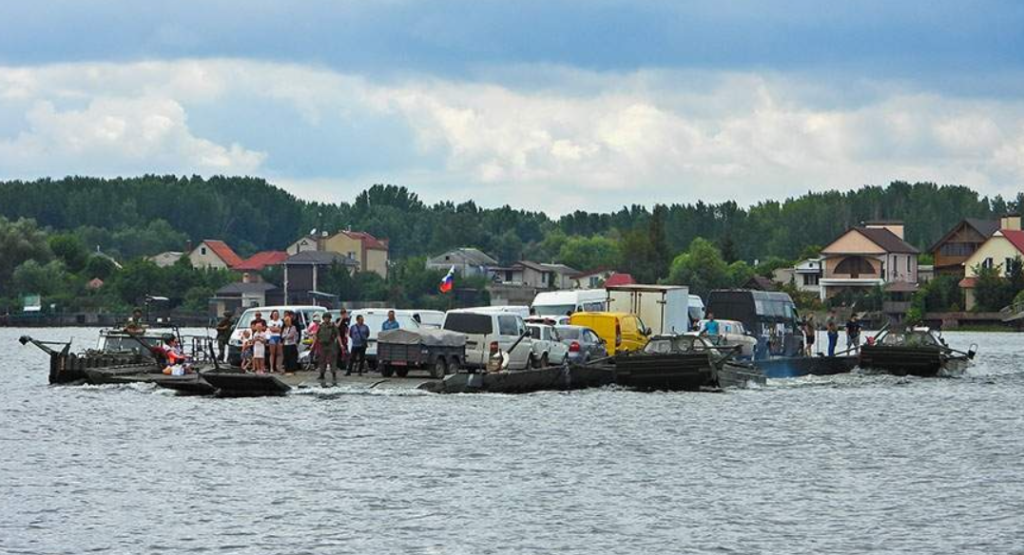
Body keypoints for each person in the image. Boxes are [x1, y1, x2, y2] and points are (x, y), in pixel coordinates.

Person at [316, 312, 340, 381]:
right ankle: (322, 374)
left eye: (327, 318)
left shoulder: (333, 326)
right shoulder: (321, 326)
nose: (326, 319)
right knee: (322, 360)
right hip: (322, 345)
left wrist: (341, 344)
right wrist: (313, 345)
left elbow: (338, 335)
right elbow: (317, 335)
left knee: (332, 360)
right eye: (325, 318)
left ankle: (334, 375)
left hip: (331, 344)